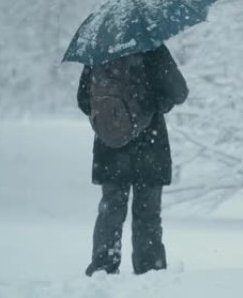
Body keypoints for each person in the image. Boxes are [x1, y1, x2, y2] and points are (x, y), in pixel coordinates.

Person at [77, 44, 188, 276]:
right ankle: (150, 269)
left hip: (110, 149)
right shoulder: (153, 47)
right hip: (150, 147)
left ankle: (103, 268)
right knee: (147, 214)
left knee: (111, 210)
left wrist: (115, 118)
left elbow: (83, 100)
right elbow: (179, 92)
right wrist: (155, 105)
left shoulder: (100, 50)